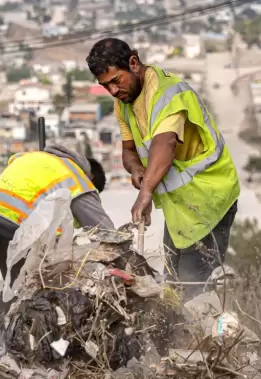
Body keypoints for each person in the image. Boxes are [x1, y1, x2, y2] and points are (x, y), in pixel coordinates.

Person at [86, 38, 240, 293]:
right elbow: (128, 151)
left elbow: (165, 142)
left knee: (193, 289)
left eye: (116, 81)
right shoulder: (124, 102)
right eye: (105, 86)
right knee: (172, 286)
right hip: (180, 207)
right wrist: (136, 170)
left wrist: (145, 193)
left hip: (209, 200)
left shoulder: (167, 93)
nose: (112, 91)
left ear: (133, 63)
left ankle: (204, 331)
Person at [0, 146, 114, 289]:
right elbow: (105, 229)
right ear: (90, 178)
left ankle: (4, 312)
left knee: (14, 283)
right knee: (46, 283)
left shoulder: (41, 158)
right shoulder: (76, 178)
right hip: (17, 222)